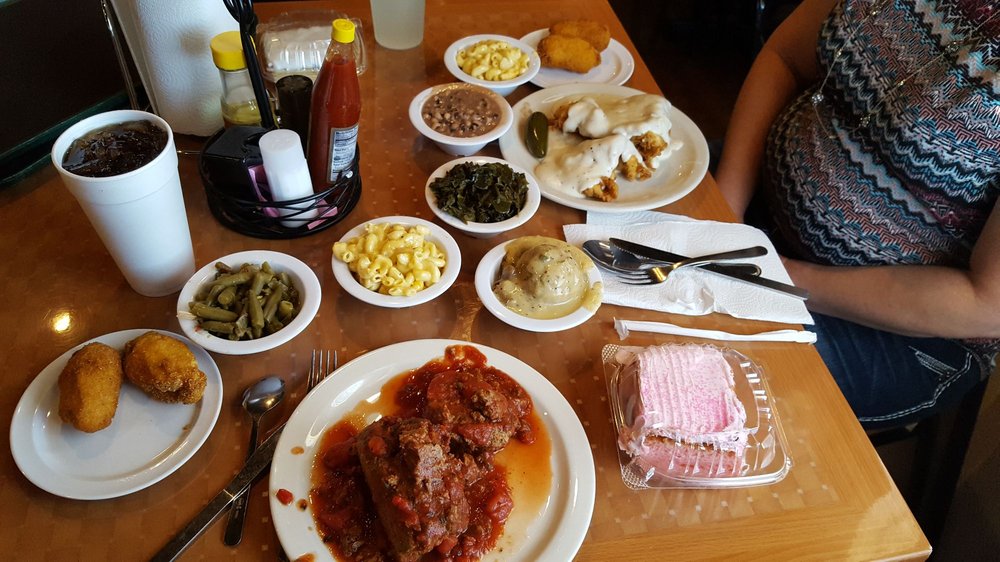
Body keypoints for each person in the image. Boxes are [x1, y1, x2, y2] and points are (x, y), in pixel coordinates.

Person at [715, 0, 999, 428]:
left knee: (681, 371)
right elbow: (786, 57)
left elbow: (987, 303)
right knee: (610, 246)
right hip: (754, 214)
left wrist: (776, 274)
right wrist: (723, 213)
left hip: (894, 331)